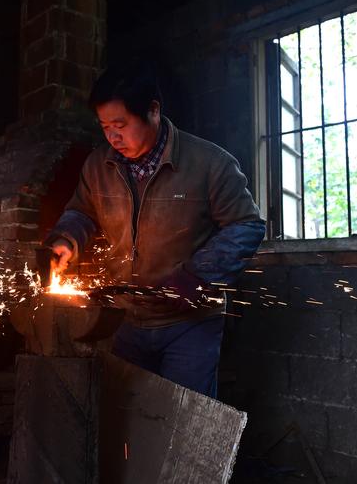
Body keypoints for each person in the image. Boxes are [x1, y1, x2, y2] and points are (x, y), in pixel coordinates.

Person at [45, 60, 265, 398]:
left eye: (120, 124)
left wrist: (198, 275)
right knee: (127, 423)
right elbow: (81, 212)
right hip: (126, 321)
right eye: (104, 126)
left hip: (190, 325)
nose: (112, 136)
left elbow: (246, 225)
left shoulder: (210, 164)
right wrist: (66, 238)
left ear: (153, 110)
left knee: (184, 424)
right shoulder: (98, 166)